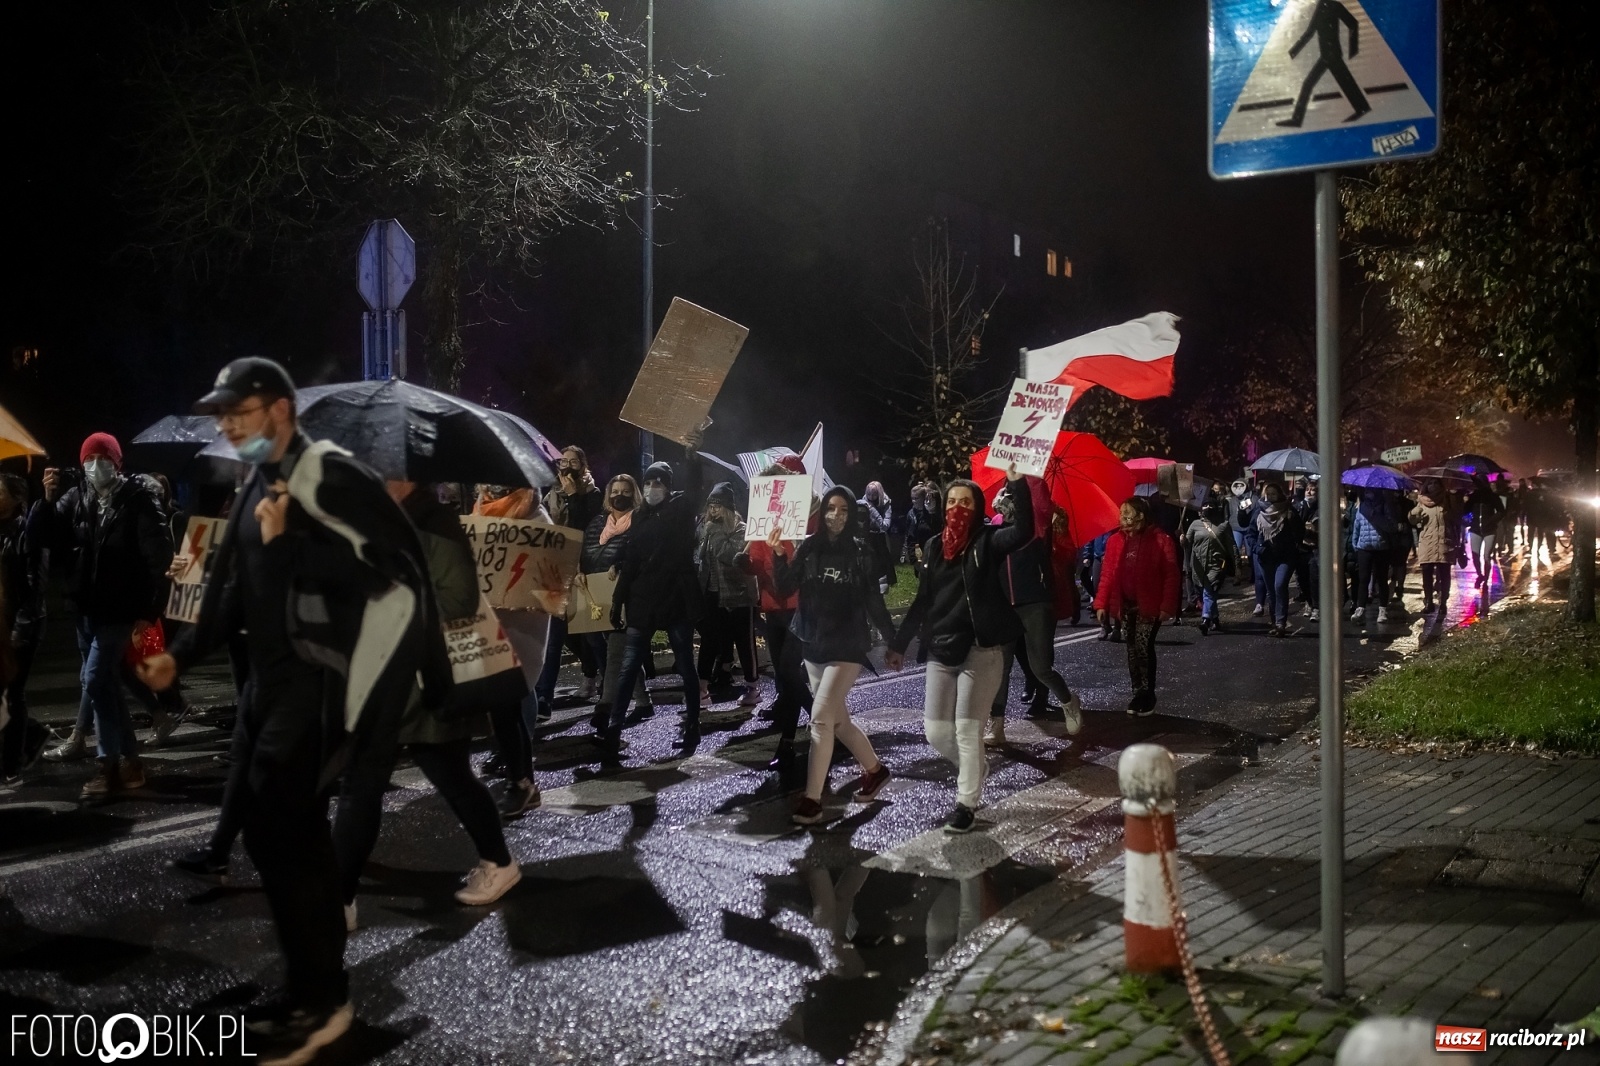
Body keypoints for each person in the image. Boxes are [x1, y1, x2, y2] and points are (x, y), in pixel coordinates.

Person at [138, 357, 451, 1065]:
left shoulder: (330, 475)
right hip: (265, 691)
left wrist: (299, 544)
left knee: (285, 835)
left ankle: (323, 1000)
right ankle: (312, 989)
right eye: (222, 414)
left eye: (238, 412)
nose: (227, 425)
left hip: (319, 685)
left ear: (279, 410)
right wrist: (178, 658)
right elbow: (226, 592)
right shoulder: (255, 482)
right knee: (281, 839)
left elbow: (398, 573)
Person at [332, 479, 522, 931]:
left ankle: (499, 862)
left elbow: (459, 599)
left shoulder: (435, 524)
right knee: (363, 786)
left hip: (424, 679)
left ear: (407, 478)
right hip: (384, 677)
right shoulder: (375, 521)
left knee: (448, 778)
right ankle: (337, 897)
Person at [891, 469, 1032, 834]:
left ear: (978, 507)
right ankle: (976, 768)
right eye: (951, 501)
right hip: (940, 649)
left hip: (979, 650)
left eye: (965, 502)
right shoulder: (936, 546)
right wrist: (899, 644)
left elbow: (1024, 531)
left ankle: (966, 803)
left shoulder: (988, 541)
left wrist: (1016, 484)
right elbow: (923, 600)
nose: (956, 508)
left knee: (968, 732)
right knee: (937, 733)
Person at [38, 432, 173, 798]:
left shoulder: (139, 498)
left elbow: (160, 560)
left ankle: (106, 763)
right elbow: (46, 537)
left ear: (118, 463)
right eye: (89, 459)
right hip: (85, 608)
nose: (95, 466)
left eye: (103, 459)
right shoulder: (77, 494)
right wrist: (48, 500)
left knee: (95, 679)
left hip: (121, 611)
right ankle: (131, 761)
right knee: (106, 684)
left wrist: (149, 611)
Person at [770, 486, 899, 826]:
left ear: (851, 515)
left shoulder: (860, 552)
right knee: (838, 722)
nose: (836, 516)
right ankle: (876, 770)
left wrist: (893, 643)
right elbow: (784, 588)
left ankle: (812, 799)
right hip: (814, 644)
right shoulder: (810, 545)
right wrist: (778, 554)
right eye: (831, 508)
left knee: (820, 719)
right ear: (822, 511)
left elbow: (874, 600)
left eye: (843, 510)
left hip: (848, 645)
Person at [603, 454, 705, 755]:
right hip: (644, 600)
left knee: (685, 663)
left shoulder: (682, 509)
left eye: (658, 482)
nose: (652, 487)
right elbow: (632, 561)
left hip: (676, 598)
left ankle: (692, 726)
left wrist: (690, 456)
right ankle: (613, 729)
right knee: (629, 664)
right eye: (647, 482)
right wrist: (617, 600)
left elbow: (696, 487)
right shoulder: (640, 516)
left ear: (669, 486)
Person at [986, 475, 1081, 747]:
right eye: (1004, 497)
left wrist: (1023, 477)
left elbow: (1037, 504)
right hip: (1005, 607)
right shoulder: (994, 533)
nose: (1005, 502)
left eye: (1011, 497)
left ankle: (1068, 700)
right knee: (998, 670)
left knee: (1040, 668)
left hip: (1035, 603)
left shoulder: (1034, 530)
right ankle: (997, 725)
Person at [739, 460, 816, 775]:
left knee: (788, 673)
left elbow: (801, 572)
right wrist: (743, 562)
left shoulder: (802, 525)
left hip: (801, 608)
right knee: (786, 679)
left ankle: (789, 740)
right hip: (773, 609)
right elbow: (756, 565)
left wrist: (787, 553)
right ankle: (817, 726)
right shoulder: (760, 528)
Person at [579, 474, 655, 734]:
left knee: (615, 654)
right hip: (596, 596)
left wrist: (622, 566)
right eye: (614, 491)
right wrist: (580, 570)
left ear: (633, 494)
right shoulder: (598, 523)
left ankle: (605, 708)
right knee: (620, 653)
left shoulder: (641, 521)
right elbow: (585, 552)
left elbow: (644, 555)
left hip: (627, 596)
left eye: (624, 491)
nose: (618, 496)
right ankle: (643, 701)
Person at [474, 484, 554, 729]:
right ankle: (504, 749)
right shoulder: (479, 512)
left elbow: (551, 579)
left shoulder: (537, 519)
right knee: (494, 683)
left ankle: (521, 748)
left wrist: (534, 598)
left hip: (522, 620)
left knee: (520, 683)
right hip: (488, 613)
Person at [1094, 497, 1180, 717]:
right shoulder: (1115, 541)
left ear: (1141, 515)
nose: (1122, 518)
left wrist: (1167, 605)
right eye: (1121, 513)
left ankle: (1147, 694)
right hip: (1126, 604)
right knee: (1131, 649)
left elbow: (1171, 575)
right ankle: (1137, 693)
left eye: (1127, 513)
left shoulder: (1161, 540)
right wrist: (1101, 603)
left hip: (1149, 604)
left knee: (1143, 647)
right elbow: (1107, 575)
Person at [0, 474, 49, 783]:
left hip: (21, 624)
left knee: (12, 692)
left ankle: (12, 764)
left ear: (17, 498)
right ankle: (32, 734)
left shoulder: (29, 531)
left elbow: (36, 586)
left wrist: (21, 629)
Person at [545, 446, 604, 700]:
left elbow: (586, 528)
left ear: (583, 464)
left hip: (584, 567)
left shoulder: (592, 493)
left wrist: (573, 496)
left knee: (588, 629)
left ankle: (595, 677)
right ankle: (594, 672)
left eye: (573, 461)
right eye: (563, 461)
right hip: (558, 565)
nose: (567, 466)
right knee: (563, 630)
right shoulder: (551, 495)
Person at [694, 482, 759, 707]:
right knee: (709, 641)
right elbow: (700, 557)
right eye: (711, 505)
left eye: (718, 506)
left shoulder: (741, 529)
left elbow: (731, 556)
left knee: (744, 642)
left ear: (728, 508)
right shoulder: (707, 528)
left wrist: (715, 534)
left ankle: (752, 688)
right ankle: (701, 689)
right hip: (712, 594)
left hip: (738, 596)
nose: (713, 510)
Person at [1254, 482, 1306, 637]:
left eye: (1273, 494)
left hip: (1285, 557)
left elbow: (1299, 532)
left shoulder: (1289, 511)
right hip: (1266, 557)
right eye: (1267, 493)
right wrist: (1257, 548)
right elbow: (1250, 532)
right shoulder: (1259, 510)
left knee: (1279, 585)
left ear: (1280, 495)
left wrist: (1291, 541)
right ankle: (1274, 621)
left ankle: (1280, 623)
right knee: (1271, 591)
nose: (1269, 497)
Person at [1349, 489, 1404, 625]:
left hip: (1381, 547)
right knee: (1363, 579)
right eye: (1367, 490)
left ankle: (1382, 609)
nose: (1369, 492)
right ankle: (1360, 608)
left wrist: (1378, 516)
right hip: (1364, 547)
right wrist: (1355, 543)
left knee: (1382, 579)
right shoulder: (1361, 506)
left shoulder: (1385, 506)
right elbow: (1357, 526)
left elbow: (1391, 526)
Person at [1409, 484, 1457, 613]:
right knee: (1427, 573)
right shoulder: (1421, 502)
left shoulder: (1447, 501)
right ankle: (1428, 601)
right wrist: (1415, 516)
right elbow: (1412, 521)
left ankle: (1443, 602)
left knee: (1445, 574)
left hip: (1444, 542)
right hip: (1427, 543)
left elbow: (1454, 520)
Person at [1186, 499, 1231, 635]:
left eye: (1210, 505)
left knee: (1209, 592)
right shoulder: (1195, 524)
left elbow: (1231, 546)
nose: (1208, 507)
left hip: (1215, 565)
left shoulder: (1223, 525)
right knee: (1205, 593)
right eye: (1204, 505)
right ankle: (1215, 619)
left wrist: (1237, 566)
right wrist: (1182, 539)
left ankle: (1205, 620)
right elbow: (1187, 542)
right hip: (1198, 566)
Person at [1465, 473, 1504, 590]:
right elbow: (1465, 510)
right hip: (1475, 529)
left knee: (1487, 556)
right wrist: (1465, 503)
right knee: (1475, 556)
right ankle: (1480, 576)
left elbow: (1501, 511)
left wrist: (1491, 521)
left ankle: (1486, 580)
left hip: (1489, 530)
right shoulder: (1473, 497)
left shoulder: (1493, 496)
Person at [859, 481, 896, 593]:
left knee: (880, 568)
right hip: (866, 538)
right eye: (869, 494)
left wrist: (873, 511)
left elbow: (885, 526)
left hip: (880, 539)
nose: (871, 497)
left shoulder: (886, 504)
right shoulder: (863, 502)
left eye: (874, 495)